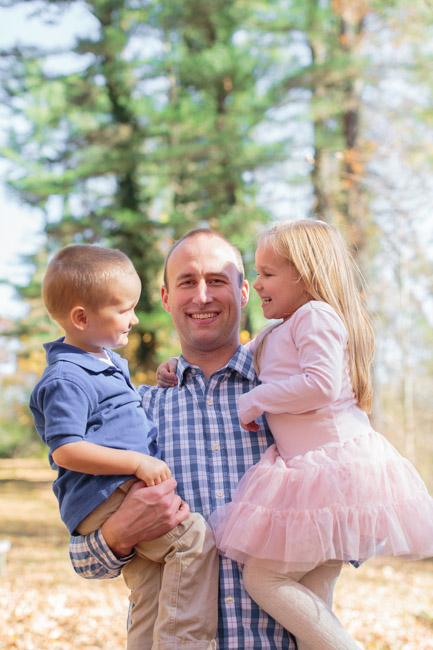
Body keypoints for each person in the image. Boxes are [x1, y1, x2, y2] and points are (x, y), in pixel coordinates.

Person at [200, 219, 433, 650]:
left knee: (263, 578)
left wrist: (256, 400)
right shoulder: (275, 331)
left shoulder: (316, 316)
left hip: (333, 469)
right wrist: (175, 366)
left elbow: (321, 384)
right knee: (315, 599)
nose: (258, 282)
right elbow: (230, 359)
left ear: (305, 276)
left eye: (268, 273)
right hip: (307, 475)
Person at [69, 230, 297, 649]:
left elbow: (349, 516)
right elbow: (83, 560)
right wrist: (118, 534)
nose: (203, 296)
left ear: (244, 292)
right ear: (166, 297)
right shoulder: (133, 412)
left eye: (217, 280)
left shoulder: (291, 398)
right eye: (187, 282)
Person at [29, 244, 218, 650]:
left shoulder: (105, 361)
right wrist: (136, 462)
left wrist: (163, 375)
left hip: (117, 490)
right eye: (124, 309)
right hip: (106, 493)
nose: (134, 318)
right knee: (192, 540)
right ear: (81, 317)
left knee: (150, 585)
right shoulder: (67, 377)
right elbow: (65, 450)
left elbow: (121, 414)